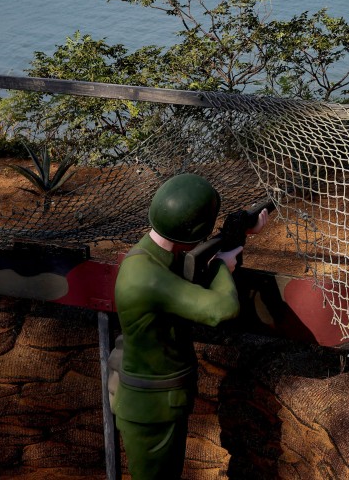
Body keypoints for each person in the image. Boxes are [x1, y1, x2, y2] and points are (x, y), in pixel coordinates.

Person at [112, 173, 267, 480]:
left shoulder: (153, 253)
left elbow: (186, 265)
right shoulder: (147, 277)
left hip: (159, 402)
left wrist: (237, 234)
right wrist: (223, 266)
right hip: (151, 407)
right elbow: (222, 310)